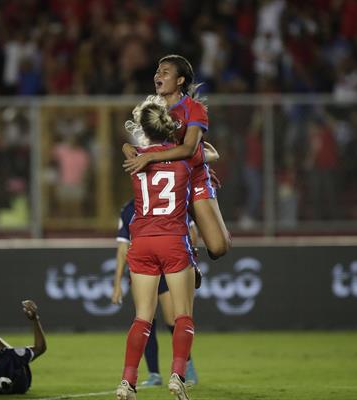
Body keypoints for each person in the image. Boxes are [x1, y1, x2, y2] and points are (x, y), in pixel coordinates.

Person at [115, 97, 218, 400]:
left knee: (143, 317)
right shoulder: (187, 156)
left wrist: (134, 146)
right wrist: (183, 140)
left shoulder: (136, 155)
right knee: (183, 315)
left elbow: (130, 147)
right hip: (173, 239)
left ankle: (127, 382)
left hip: (142, 241)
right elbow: (212, 153)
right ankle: (177, 376)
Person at [122, 54, 231, 260]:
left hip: (194, 179)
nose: (158, 75)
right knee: (167, 243)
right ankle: (189, 256)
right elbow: (150, 145)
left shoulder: (193, 108)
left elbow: (189, 148)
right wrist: (127, 147)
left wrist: (150, 158)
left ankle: (202, 226)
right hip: (169, 182)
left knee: (218, 248)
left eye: (165, 72)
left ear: (180, 80)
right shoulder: (153, 107)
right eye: (157, 71)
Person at [112, 198, 199, 387]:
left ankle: (186, 366)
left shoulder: (170, 199)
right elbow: (122, 248)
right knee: (146, 320)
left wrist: (189, 252)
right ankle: (154, 374)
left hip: (166, 265)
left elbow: (192, 230)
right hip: (148, 264)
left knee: (171, 319)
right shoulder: (128, 209)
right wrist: (117, 283)